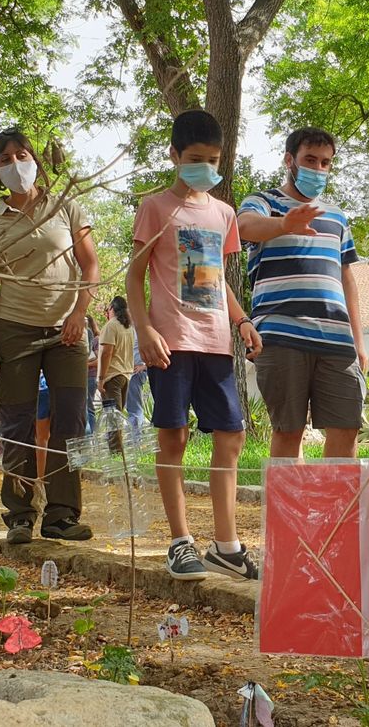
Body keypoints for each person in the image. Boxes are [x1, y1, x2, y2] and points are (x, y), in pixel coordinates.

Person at [127, 109, 262, 581]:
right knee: (174, 437)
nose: (204, 167)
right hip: (171, 342)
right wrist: (145, 329)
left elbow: (215, 278)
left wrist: (242, 319)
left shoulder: (224, 214)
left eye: (212, 159)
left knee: (232, 437)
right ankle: (180, 541)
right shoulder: (156, 207)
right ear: (174, 156)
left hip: (216, 344)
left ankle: (227, 546)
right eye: (194, 158)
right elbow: (134, 276)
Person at [0, 127, 98, 545]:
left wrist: (80, 314)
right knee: (16, 423)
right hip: (12, 331)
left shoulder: (66, 209)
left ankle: (62, 515)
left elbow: (91, 266)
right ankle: (21, 515)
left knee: (71, 422)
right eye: (5, 160)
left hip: (67, 331)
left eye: (21, 155)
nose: (15, 165)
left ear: (36, 160)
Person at [238, 127, 366, 459]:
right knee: (288, 431)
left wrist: (359, 341)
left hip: (337, 340)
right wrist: (284, 224)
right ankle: (289, 513)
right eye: (310, 160)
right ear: (289, 160)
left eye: (326, 162)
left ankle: (335, 511)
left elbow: (347, 276)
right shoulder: (263, 201)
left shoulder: (337, 215)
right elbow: (244, 226)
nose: (318, 169)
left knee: (347, 428)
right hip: (281, 336)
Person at [99, 296, 135, 411]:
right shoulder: (129, 328)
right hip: (126, 375)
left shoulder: (111, 326)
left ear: (111, 308)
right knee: (117, 417)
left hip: (112, 376)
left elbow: (106, 353)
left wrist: (101, 379)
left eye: (107, 310)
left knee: (113, 419)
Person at [84, 315, 103, 433]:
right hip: (86, 377)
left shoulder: (95, 339)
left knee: (89, 408)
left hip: (90, 377)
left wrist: (85, 364)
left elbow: (99, 360)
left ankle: (92, 435)